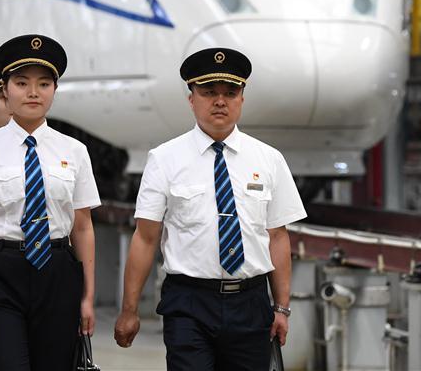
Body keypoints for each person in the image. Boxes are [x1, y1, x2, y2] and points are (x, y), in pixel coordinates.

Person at [114, 47, 307, 370]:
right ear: (191, 98)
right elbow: (146, 238)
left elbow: (277, 237)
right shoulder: (164, 159)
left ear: (242, 98)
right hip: (188, 301)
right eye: (209, 92)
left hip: (251, 302)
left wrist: (282, 308)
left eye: (230, 93)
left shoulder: (269, 160)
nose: (220, 101)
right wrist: (129, 309)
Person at [0, 35, 100, 371]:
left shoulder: (74, 151)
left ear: (54, 89)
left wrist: (88, 297)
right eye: (21, 83)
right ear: (4, 90)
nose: (33, 92)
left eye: (44, 83)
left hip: (58, 270)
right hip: (0, 271)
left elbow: (82, 226)